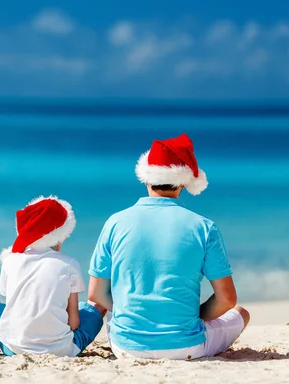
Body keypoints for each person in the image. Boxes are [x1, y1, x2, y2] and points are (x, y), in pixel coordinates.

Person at [88, 133, 250, 360]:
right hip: (186, 349)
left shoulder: (115, 222)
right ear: (184, 182)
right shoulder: (204, 227)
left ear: (145, 178)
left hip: (126, 348)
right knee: (241, 313)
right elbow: (227, 300)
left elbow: (96, 293)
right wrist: (195, 316)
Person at [0, 196, 105, 357]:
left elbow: (8, 298)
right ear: (60, 236)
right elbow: (73, 324)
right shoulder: (69, 264)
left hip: (13, 349)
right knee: (96, 303)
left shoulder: (11, 260)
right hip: (61, 351)